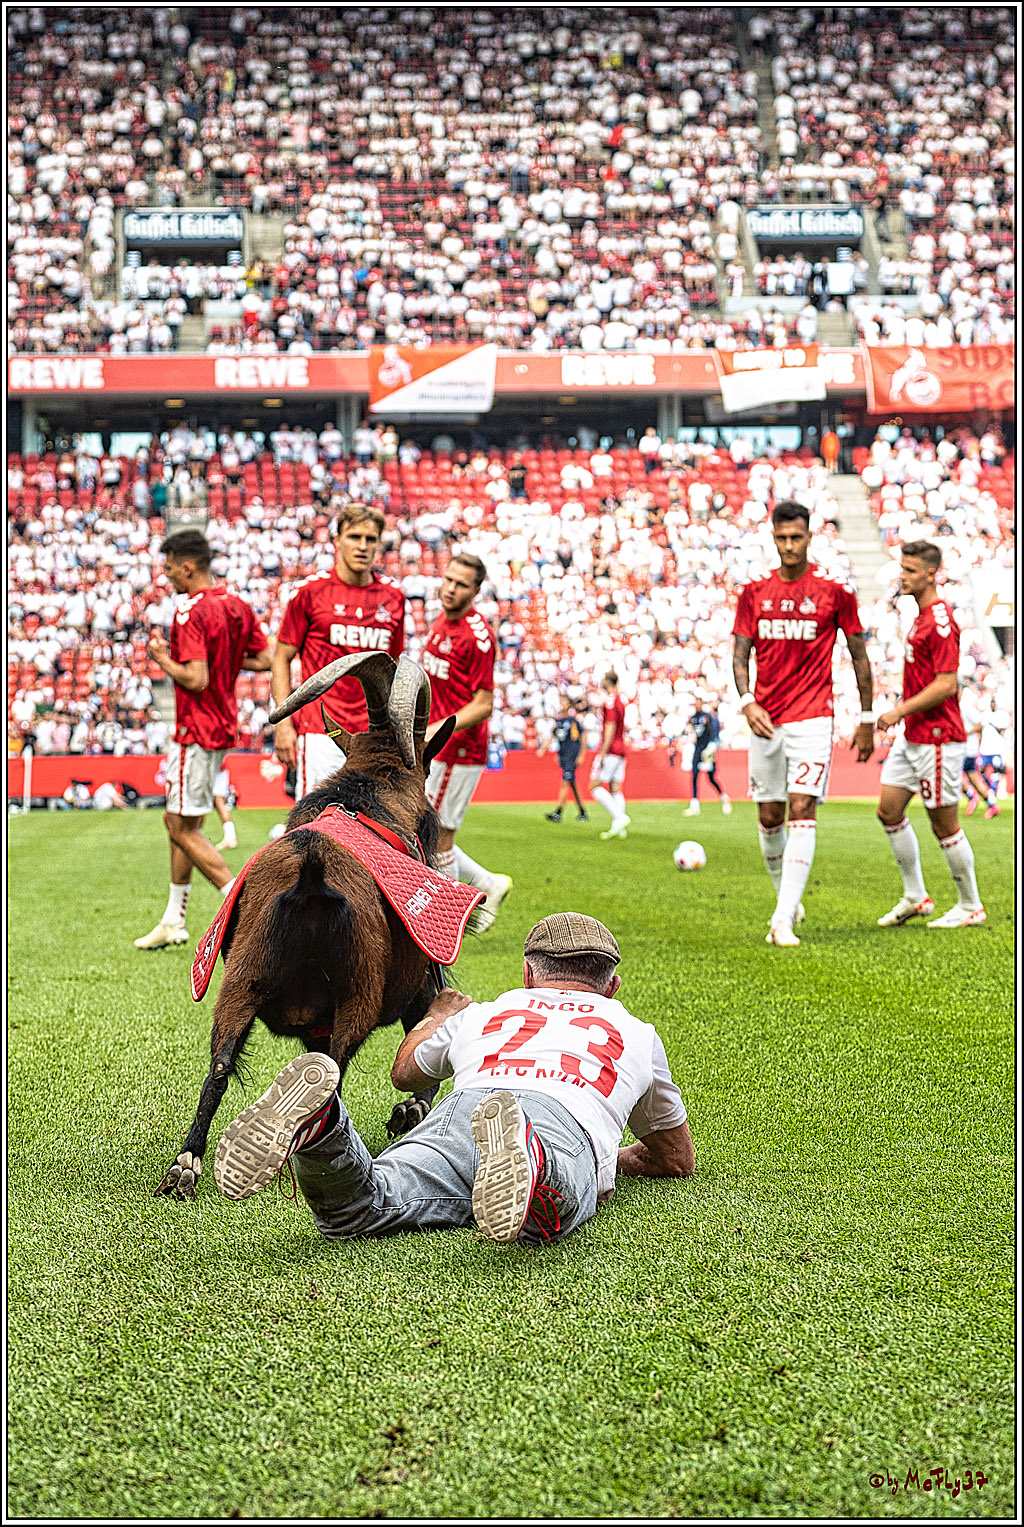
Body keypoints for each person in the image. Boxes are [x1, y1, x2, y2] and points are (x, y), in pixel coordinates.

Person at [212, 912, 695, 1248]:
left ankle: (325, 1125)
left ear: (527, 974)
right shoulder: (637, 1032)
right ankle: (533, 1162)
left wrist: (433, 1014)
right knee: (556, 1203)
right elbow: (675, 1159)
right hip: (562, 1118)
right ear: (611, 987)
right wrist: (613, 1155)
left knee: (362, 1207)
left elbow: (405, 1074)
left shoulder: (489, 1011)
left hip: (463, 1107)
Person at [732, 501, 875, 947]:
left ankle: (780, 922)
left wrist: (867, 717)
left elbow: (859, 657)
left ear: (810, 537)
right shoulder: (753, 592)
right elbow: (739, 656)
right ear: (773, 538)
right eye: (782, 538)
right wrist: (747, 701)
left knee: (801, 809)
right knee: (769, 815)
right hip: (766, 721)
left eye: (797, 537)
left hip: (814, 717)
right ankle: (786, 901)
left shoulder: (835, 592)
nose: (789, 545)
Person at [135, 531, 271, 950]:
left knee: (176, 823)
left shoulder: (189, 610)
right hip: (223, 723)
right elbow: (263, 658)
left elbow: (196, 677)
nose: (167, 575)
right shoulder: (236, 604)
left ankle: (241, 902)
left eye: (170, 567)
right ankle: (174, 920)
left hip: (194, 727)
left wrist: (162, 660)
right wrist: (225, 658)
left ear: (187, 566)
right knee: (187, 822)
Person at [875, 542, 986, 929]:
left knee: (944, 824)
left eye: (909, 570)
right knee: (889, 811)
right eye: (902, 568)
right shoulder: (921, 616)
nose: (902, 576)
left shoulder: (940, 621)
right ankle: (915, 896)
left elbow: (946, 684)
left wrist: (898, 711)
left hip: (938, 736)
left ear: (930, 574)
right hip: (915, 735)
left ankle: (970, 905)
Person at [272, 504, 406, 800]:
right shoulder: (309, 592)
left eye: (370, 539)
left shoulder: (394, 597)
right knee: (315, 829)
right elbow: (281, 658)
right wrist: (283, 724)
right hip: (321, 731)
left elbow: (393, 668)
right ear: (337, 541)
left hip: (374, 735)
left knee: (371, 830)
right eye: (354, 536)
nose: (362, 546)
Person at [421, 553, 511, 931]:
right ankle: (486, 884)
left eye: (461, 585)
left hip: (458, 750)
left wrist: (439, 727)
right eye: (448, 579)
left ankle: (444, 922)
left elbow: (485, 704)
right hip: (436, 744)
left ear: (475, 592)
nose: (450, 589)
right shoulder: (442, 619)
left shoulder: (479, 638)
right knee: (425, 828)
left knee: (439, 834)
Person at [591, 673, 630, 840]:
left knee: (594, 786)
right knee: (615, 788)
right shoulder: (621, 700)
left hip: (612, 749)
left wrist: (602, 753)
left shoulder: (610, 701)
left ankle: (620, 818)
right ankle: (620, 828)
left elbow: (610, 727)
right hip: (621, 748)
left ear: (608, 681)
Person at [545, 694, 588, 823]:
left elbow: (583, 737)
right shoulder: (558, 722)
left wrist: (581, 755)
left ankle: (558, 812)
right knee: (572, 783)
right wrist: (544, 749)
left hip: (571, 756)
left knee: (565, 782)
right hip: (564, 756)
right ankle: (582, 812)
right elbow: (554, 738)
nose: (562, 704)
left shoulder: (573, 722)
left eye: (564, 702)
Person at [684, 700, 731, 816]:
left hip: (707, 750)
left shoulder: (707, 717)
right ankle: (694, 805)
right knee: (694, 776)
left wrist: (712, 745)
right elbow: (689, 730)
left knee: (711, 778)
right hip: (698, 750)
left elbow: (714, 731)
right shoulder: (693, 718)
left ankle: (723, 797)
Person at [212, 765, 237, 850]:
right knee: (219, 802)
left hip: (212, 768)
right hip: (221, 768)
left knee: (218, 802)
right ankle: (230, 837)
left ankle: (230, 838)